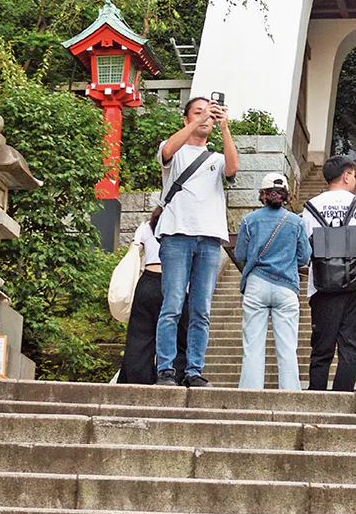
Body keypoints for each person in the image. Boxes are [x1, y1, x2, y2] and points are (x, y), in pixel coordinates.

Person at [153, 96, 238, 389]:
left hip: (210, 238)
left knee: (202, 309)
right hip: (177, 234)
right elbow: (166, 150)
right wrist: (197, 124)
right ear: (186, 119)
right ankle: (165, 368)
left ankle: (194, 370)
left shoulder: (215, 157)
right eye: (198, 113)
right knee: (173, 304)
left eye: (209, 114)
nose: (205, 118)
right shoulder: (175, 153)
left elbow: (232, 168)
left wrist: (225, 128)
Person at [303, 154, 356, 391]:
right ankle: (342, 396)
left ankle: (316, 397)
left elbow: (306, 249)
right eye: (354, 175)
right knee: (351, 344)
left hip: (322, 284)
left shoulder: (310, 207)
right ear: (346, 176)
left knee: (322, 346)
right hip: (355, 282)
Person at [233, 171, 309, 390]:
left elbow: (240, 254)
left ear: (263, 194)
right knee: (287, 346)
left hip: (256, 283)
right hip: (286, 286)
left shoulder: (250, 220)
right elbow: (304, 257)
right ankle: (290, 394)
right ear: (285, 195)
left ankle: (250, 393)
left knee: (253, 345)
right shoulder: (296, 222)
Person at [117, 224, 191, 385]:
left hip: (148, 283)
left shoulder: (146, 225)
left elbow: (133, 251)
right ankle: (176, 377)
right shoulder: (185, 224)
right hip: (176, 283)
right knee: (179, 336)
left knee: (140, 336)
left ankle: (136, 380)